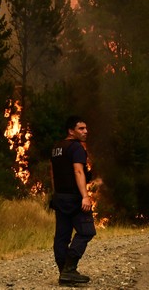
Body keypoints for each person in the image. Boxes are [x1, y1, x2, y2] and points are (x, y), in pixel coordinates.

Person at [50, 115, 96, 286]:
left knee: (62, 236)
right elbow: (78, 172)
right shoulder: (76, 148)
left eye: (86, 128)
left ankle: (63, 273)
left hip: (60, 197)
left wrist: (55, 194)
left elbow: (53, 173)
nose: (85, 131)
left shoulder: (56, 148)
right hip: (74, 198)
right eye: (81, 129)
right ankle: (69, 269)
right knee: (87, 231)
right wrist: (85, 196)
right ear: (71, 131)